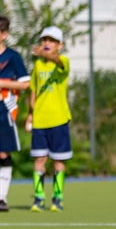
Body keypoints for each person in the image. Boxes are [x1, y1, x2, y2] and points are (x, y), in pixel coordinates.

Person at [27, 26, 71, 212]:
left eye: (52, 41)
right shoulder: (38, 65)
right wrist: (30, 114)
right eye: (44, 40)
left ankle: (57, 198)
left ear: (60, 45)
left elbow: (57, 61)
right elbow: (34, 89)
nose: (46, 43)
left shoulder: (63, 62)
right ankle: (39, 198)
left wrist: (45, 54)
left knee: (58, 161)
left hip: (59, 120)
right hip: (40, 121)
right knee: (39, 159)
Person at [0, 16, 31, 212]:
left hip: (3, 108)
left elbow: (26, 84)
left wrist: (3, 84)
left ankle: (1, 197)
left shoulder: (12, 57)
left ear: (4, 34)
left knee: (3, 152)